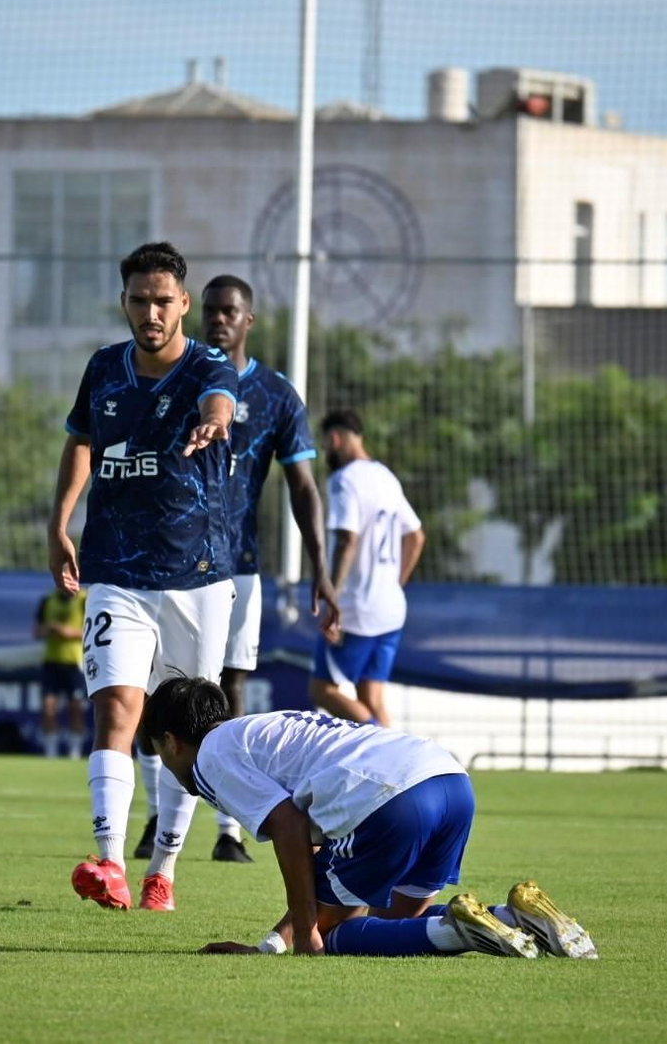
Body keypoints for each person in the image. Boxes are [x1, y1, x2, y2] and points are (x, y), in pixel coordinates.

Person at [144, 675, 598, 959]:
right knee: (392, 927)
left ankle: (463, 930)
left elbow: (288, 827)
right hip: (449, 781)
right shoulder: (260, 730)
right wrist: (276, 943)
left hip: (392, 799)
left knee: (340, 937)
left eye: (158, 752)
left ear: (172, 741)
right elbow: (314, 853)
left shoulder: (211, 757)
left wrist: (304, 935)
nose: (164, 763)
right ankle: (516, 917)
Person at [48, 241, 239, 912]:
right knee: (116, 712)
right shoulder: (103, 369)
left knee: (185, 727)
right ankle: (108, 862)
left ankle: (163, 869)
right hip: (116, 572)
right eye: (139, 300)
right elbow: (79, 441)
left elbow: (219, 399)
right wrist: (59, 522)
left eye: (163, 300)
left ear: (183, 303)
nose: (151, 312)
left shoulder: (209, 362)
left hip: (196, 576)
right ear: (125, 302)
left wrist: (214, 423)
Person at [132, 274, 338, 866]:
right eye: (212, 311)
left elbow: (303, 485)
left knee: (228, 689)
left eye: (231, 312)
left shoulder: (275, 394)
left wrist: (320, 568)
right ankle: (155, 818)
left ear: (249, 320)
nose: (219, 320)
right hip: (164, 563)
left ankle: (230, 826)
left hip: (237, 565)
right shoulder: (176, 377)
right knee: (156, 691)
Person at [308, 408, 425, 727]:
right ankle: (398, 770)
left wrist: (332, 595)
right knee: (371, 695)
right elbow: (415, 536)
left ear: (335, 439)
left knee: (322, 689)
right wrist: (395, 584)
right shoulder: (385, 476)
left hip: (357, 609)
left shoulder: (345, 480)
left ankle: (379, 743)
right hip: (390, 609)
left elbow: (347, 538)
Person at [33, 586, 89, 759]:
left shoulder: (84, 600)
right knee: (48, 706)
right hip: (51, 662)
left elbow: (92, 630)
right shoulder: (47, 600)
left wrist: (67, 632)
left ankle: (75, 751)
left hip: (75, 663)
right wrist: (48, 630)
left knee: (76, 707)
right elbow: (36, 631)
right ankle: (51, 751)